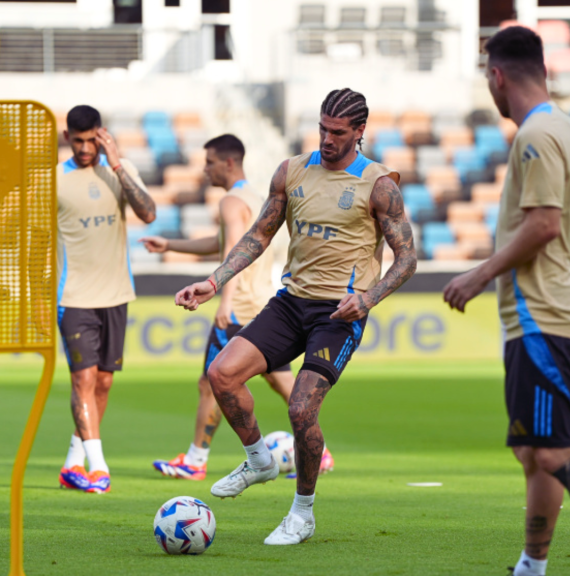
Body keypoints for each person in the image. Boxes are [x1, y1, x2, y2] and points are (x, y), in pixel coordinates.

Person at [174, 88, 416, 545]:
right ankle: (260, 460)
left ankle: (302, 513)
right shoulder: (292, 171)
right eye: (322, 128)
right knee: (221, 375)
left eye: (337, 132)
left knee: (301, 407)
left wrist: (368, 300)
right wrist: (213, 282)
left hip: (339, 313)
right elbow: (259, 234)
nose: (326, 138)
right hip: (290, 302)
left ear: (359, 132)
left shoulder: (381, 184)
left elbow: (407, 259)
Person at [442, 27, 570, 576]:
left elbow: (545, 225)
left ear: (497, 76)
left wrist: (479, 274)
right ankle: (531, 566)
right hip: (555, 311)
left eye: (488, 78)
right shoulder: (567, 130)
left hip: (545, 313)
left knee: (555, 451)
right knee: (534, 451)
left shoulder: (534, 136)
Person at [142, 134, 333, 480]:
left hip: (239, 307)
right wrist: (170, 244)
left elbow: (232, 247)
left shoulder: (230, 201)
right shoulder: (254, 197)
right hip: (263, 305)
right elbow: (221, 245)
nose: (205, 169)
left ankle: (196, 460)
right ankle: (322, 452)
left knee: (210, 381)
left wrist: (223, 300)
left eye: (210, 162)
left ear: (228, 162)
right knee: (283, 381)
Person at [56, 105, 156, 494]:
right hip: (73, 295)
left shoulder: (120, 169)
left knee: (103, 384)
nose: (84, 148)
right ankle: (99, 469)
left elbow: (148, 213)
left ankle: (72, 463)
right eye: (77, 141)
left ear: (102, 135)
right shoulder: (52, 181)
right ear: (68, 138)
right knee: (82, 379)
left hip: (116, 293)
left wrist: (116, 165)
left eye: (90, 139)